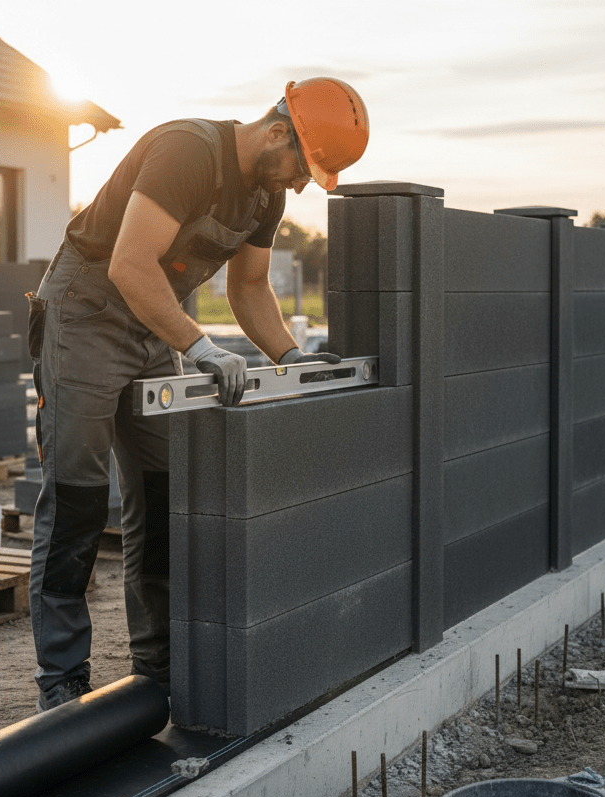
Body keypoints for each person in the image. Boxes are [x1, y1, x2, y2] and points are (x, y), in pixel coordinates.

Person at [27, 77, 370, 711]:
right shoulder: (187, 152)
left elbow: (250, 289)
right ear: (275, 133)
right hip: (87, 312)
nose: (299, 187)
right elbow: (131, 264)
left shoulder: (265, 197)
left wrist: (294, 362)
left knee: (161, 497)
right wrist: (200, 346)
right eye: (303, 168)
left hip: (156, 325)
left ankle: (155, 665)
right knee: (76, 496)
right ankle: (63, 678)